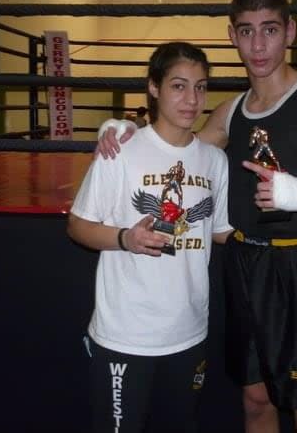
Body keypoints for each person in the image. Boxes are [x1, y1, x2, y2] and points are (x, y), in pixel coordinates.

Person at [97, 0, 297, 433]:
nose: (259, 45)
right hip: (245, 262)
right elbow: (176, 147)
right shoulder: (230, 113)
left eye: (269, 29)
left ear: (290, 31)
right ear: (233, 36)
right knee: (254, 397)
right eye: (247, 32)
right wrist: (125, 128)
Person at [67, 41, 233, 433]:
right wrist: (126, 238)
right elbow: (77, 225)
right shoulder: (121, 150)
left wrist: (290, 211)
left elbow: (222, 232)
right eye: (179, 86)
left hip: (189, 331)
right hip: (126, 335)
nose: (192, 99)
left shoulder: (214, 161)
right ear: (154, 88)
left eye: (201, 87)